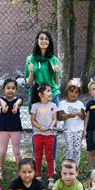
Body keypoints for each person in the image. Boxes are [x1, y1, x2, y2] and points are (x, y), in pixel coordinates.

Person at [26, 30, 62, 162]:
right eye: (41, 38)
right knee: (37, 127)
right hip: (37, 96)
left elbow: (57, 83)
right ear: (37, 41)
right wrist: (30, 72)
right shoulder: (30, 59)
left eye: (47, 39)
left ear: (50, 42)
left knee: (52, 129)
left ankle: (52, 160)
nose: (44, 41)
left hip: (52, 95)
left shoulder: (54, 59)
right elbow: (30, 82)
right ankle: (37, 161)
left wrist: (57, 73)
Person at [30, 84, 58, 187]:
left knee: (49, 156)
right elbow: (32, 120)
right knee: (38, 156)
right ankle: (38, 176)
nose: (51, 93)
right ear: (41, 94)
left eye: (51, 91)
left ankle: (51, 178)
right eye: (48, 91)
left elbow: (54, 119)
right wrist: (39, 126)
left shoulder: (53, 106)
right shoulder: (35, 106)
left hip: (49, 135)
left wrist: (51, 125)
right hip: (38, 135)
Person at [0, 78, 23, 180]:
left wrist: (16, 106)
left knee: (16, 151)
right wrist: (4, 107)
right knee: (2, 151)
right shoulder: (1, 99)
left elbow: (19, 102)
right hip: (4, 129)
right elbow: (2, 102)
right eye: (8, 88)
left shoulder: (18, 99)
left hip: (15, 129)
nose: (10, 90)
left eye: (13, 88)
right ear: (4, 89)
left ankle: (20, 171)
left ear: (16, 89)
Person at [57, 79, 85, 165]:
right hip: (68, 130)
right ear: (67, 91)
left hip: (78, 130)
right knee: (69, 149)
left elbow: (84, 117)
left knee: (77, 149)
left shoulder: (80, 103)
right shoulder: (62, 103)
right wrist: (69, 115)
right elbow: (59, 117)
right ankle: (68, 166)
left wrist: (80, 115)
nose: (73, 94)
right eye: (71, 91)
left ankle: (75, 167)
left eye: (76, 92)